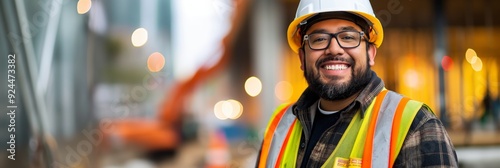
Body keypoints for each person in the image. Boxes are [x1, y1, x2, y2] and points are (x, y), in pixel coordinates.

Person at [256, 0, 458, 167]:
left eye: (348, 37)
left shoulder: (417, 126)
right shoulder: (279, 126)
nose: (334, 49)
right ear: (302, 57)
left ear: (371, 53)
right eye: (318, 39)